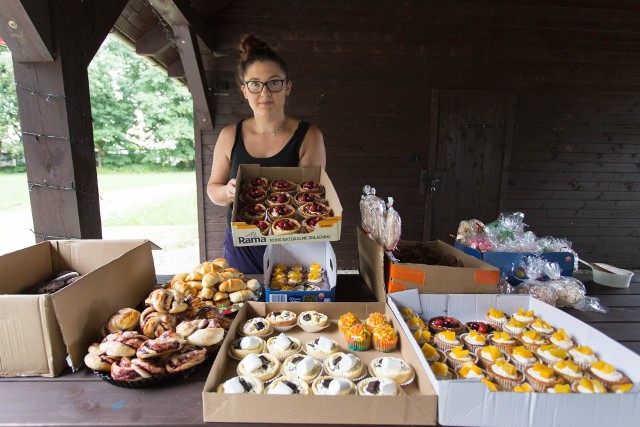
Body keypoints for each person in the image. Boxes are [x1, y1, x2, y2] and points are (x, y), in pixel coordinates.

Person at [207, 34, 326, 274]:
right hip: (243, 242)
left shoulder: (309, 135)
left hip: (293, 242)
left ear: (287, 86)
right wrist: (228, 192)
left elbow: (312, 194)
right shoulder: (230, 135)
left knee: (291, 308)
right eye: (255, 83)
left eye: (274, 82)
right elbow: (214, 190)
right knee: (246, 304)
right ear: (244, 90)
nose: (265, 92)